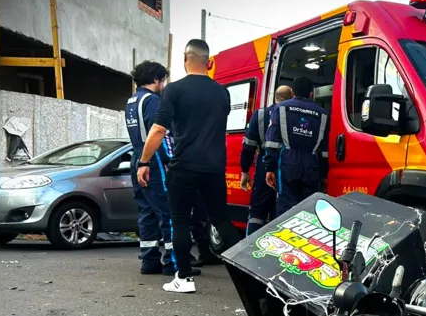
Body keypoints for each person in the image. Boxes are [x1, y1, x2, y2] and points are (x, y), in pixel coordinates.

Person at [137, 39, 242, 294]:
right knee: (221, 220)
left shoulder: (174, 90)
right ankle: (247, 279)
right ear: (208, 61)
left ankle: (183, 279)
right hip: (215, 167)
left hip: (184, 166)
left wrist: (144, 161)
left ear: (186, 59)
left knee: (180, 220)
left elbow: (159, 129)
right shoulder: (222, 92)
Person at [125, 60, 209, 276]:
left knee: (147, 212)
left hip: (137, 157)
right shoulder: (153, 101)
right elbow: (160, 134)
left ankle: (149, 260)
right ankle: (175, 263)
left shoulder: (132, 101)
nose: (164, 85)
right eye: (163, 80)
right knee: (170, 213)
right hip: (153, 161)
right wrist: (172, 162)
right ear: (156, 79)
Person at [263, 76, 330, 216]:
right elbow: (325, 150)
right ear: (311, 94)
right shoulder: (323, 114)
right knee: (309, 211)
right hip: (312, 167)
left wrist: (270, 168)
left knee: (286, 210)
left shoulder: (281, 108)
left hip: (288, 164)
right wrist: (323, 174)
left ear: (292, 92)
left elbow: (272, 142)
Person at [241, 85, 293, 235]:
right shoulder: (292, 114)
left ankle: (249, 250)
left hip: (264, 166)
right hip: (287, 167)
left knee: (257, 211)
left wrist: (245, 171)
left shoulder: (260, 114)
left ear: (275, 97)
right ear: (292, 95)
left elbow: (248, 146)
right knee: (285, 210)